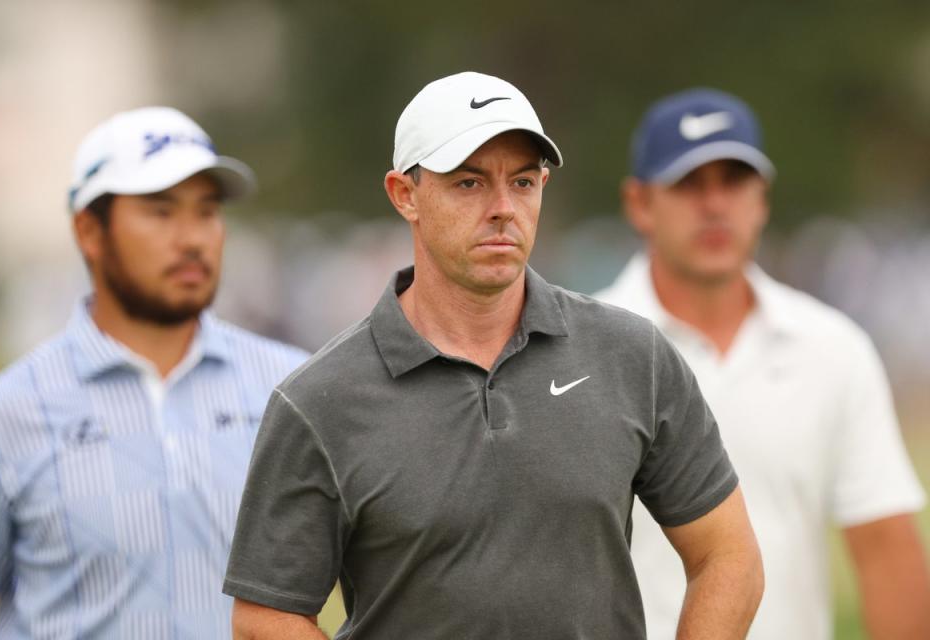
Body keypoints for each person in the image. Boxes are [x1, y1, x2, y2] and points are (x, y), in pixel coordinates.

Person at [224, 71, 763, 640]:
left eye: (524, 182)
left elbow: (729, 557)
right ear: (405, 194)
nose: (504, 208)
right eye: (469, 184)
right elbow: (266, 617)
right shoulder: (319, 399)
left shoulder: (632, 356)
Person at [593, 88, 930, 639]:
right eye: (688, 183)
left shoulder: (832, 348)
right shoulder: (585, 348)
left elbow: (886, 548)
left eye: (734, 180)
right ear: (639, 204)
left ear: (762, 198)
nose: (715, 204)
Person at [0, 106, 309, 639]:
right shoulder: (4, 413)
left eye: (207, 211)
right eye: (161, 211)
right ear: (90, 231)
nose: (193, 238)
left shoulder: (293, 390)